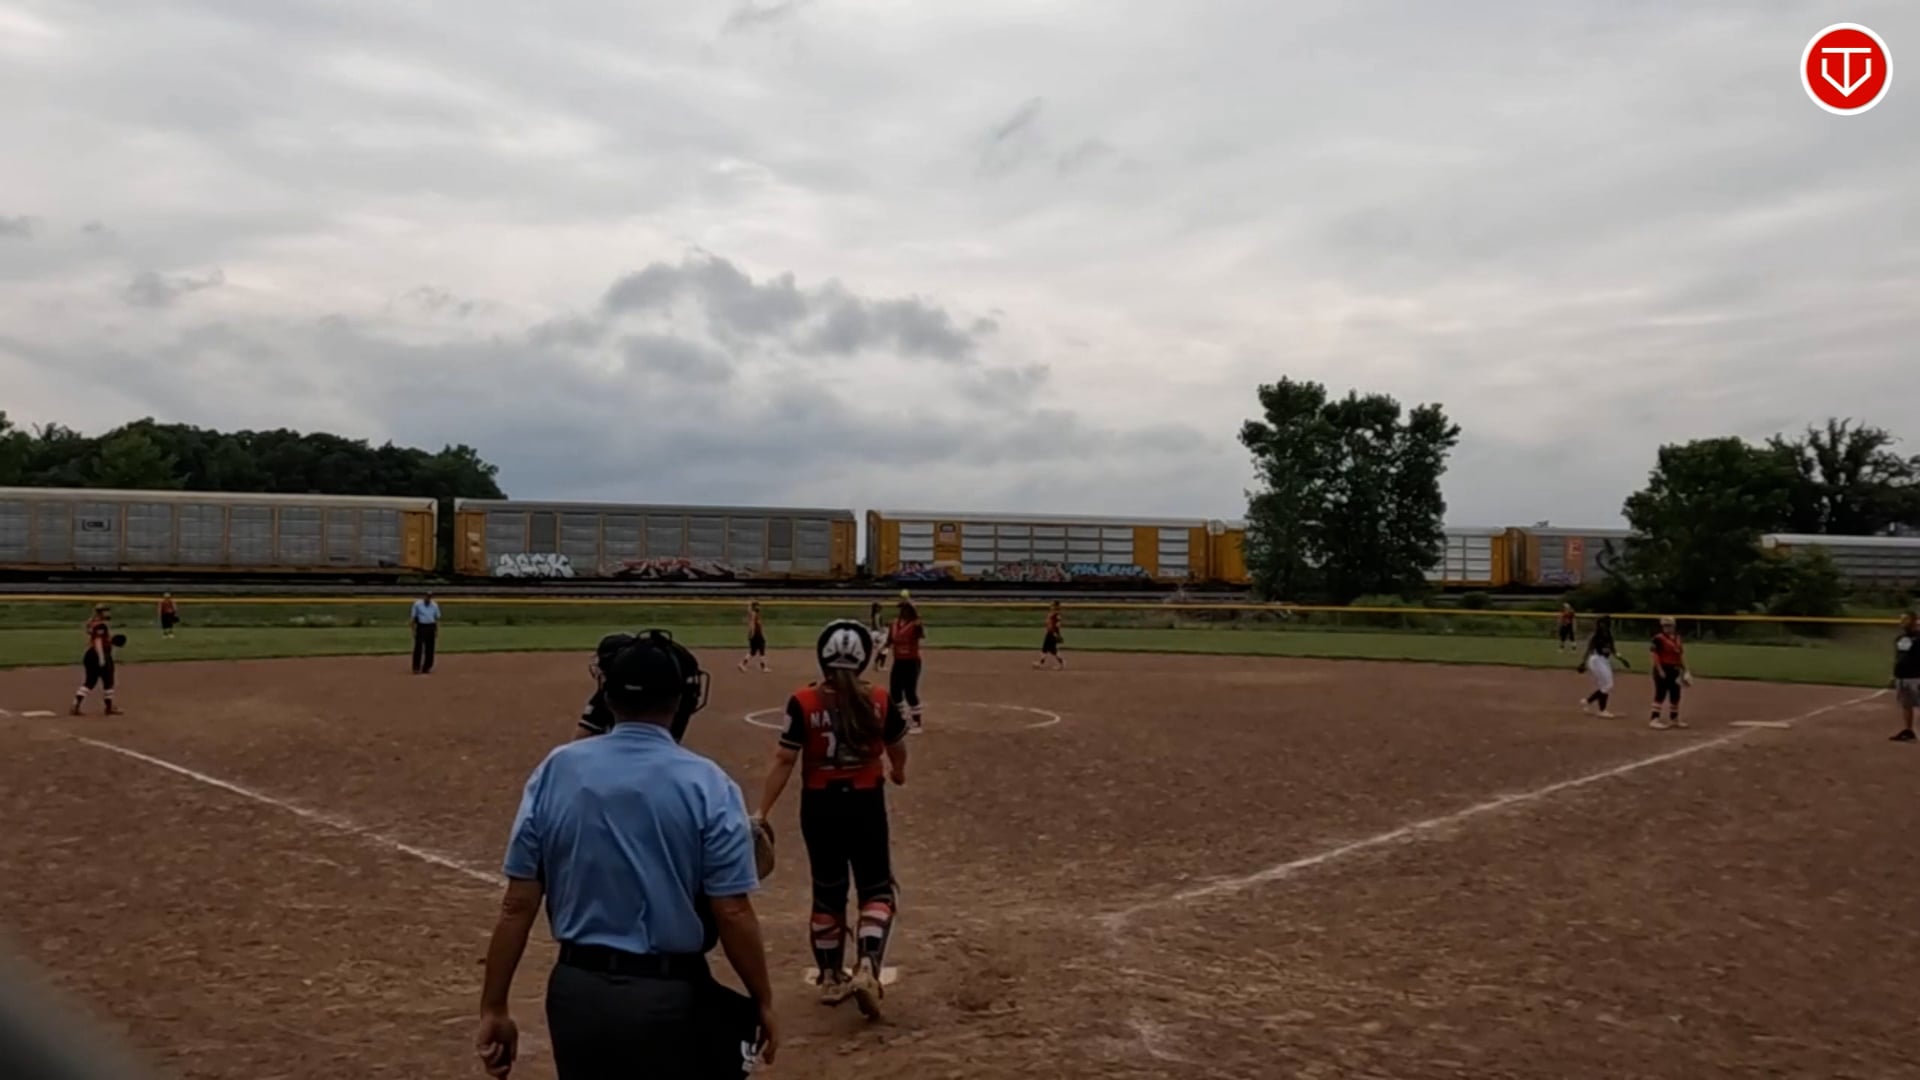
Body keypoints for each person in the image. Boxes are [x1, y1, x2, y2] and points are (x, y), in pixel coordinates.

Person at [478, 630, 778, 1079]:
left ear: (607, 697)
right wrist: (763, 999)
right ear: (680, 702)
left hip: (575, 993)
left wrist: (494, 1007)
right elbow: (732, 912)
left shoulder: (556, 769)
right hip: (666, 996)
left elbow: (516, 905)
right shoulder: (708, 783)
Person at [752, 620, 908, 1021]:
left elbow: (784, 759)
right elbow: (897, 746)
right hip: (866, 801)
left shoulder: (803, 701)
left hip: (819, 804)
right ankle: (868, 965)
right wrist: (898, 771)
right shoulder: (879, 699)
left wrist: (762, 812)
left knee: (828, 889)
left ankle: (830, 977)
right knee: (876, 887)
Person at [71, 605, 122, 716]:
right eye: (106, 611)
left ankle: (76, 705)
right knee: (108, 681)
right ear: (101, 612)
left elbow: (92, 633)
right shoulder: (100, 625)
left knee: (90, 682)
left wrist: (109, 641)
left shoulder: (93, 622)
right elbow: (98, 641)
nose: (108, 613)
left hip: (90, 655)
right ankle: (109, 708)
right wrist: (101, 658)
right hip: (98, 654)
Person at [886, 597, 926, 733]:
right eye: (902, 608)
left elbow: (921, 633)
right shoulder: (894, 624)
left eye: (907, 609)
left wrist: (916, 615)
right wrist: (883, 648)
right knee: (895, 691)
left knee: (910, 692)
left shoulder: (915, 625)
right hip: (898, 661)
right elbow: (889, 640)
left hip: (911, 662)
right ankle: (900, 718)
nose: (903, 611)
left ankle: (916, 723)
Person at [1577, 614, 1628, 718]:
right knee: (1608, 685)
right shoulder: (1596, 636)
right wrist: (1583, 662)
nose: (1604, 625)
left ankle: (1589, 703)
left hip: (1605, 661)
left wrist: (1621, 659)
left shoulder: (1609, 636)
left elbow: (1613, 650)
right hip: (1596, 660)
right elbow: (1589, 649)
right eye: (1603, 623)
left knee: (1605, 685)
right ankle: (1600, 709)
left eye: (1606, 623)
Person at [1648, 616, 1691, 730]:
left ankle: (1674, 718)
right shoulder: (1658, 638)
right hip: (1663, 668)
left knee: (1675, 694)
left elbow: (1680, 655)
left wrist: (1686, 669)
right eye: (1665, 626)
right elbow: (1655, 655)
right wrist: (1660, 670)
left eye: (1669, 626)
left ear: (1674, 626)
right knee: (1660, 693)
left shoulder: (1677, 638)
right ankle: (1654, 719)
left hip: (1675, 669)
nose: (1667, 628)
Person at [1890, 611, 1919, 742]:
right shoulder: (1900, 638)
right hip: (1902, 676)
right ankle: (1909, 731)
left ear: (1914, 621)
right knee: (1906, 704)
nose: (1902, 622)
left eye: (1905, 619)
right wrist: (1894, 674)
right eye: (1901, 619)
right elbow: (1899, 657)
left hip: (1915, 676)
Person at [409, 591, 440, 675]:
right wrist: (413, 630)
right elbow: (413, 618)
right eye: (427, 596)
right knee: (418, 647)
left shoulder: (434, 605)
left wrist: (437, 631)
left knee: (430, 648)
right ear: (424, 596)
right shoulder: (417, 604)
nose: (428, 598)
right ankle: (416, 667)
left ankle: (427, 667)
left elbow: (437, 619)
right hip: (421, 627)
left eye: (430, 596)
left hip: (431, 626)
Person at [737, 601, 769, 674]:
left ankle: (742, 664)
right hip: (756, 635)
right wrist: (753, 633)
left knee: (753, 652)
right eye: (758, 606)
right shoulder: (754, 614)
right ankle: (763, 667)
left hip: (755, 634)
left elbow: (749, 618)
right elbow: (752, 624)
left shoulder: (753, 614)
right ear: (755, 607)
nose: (759, 607)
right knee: (761, 650)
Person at [1034, 601, 1065, 670]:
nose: (1051, 606)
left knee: (1052, 650)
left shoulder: (1056, 614)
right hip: (1049, 633)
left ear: (1056, 606)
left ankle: (1062, 663)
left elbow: (1058, 624)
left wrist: (1056, 633)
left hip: (1052, 633)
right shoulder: (1053, 613)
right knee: (1046, 648)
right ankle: (1040, 663)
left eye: (1053, 605)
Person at [868, 601, 888, 673]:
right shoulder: (877, 615)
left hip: (874, 634)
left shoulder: (874, 615)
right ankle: (880, 665)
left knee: (882, 650)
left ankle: (877, 665)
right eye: (879, 607)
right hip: (878, 634)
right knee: (884, 650)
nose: (881, 608)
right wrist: (883, 631)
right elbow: (877, 625)